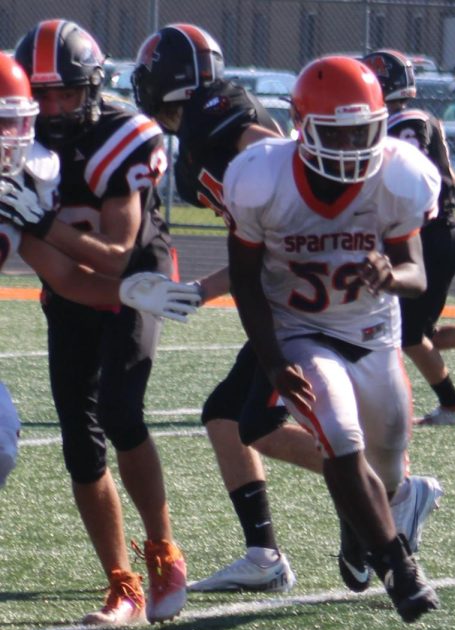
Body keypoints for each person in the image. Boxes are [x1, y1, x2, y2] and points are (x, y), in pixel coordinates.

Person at [223, 56, 444, 623]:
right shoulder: (261, 177)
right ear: (302, 125)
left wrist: (392, 276)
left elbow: (416, 273)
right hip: (302, 331)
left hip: (373, 335)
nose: (349, 145)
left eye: (361, 131)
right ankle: (400, 568)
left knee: (387, 467)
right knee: (341, 440)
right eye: (336, 132)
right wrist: (272, 360)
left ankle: (361, 530)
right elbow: (246, 281)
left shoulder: (399, 174)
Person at [2, 20, 190, 626]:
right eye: (43, 95)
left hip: (140, 275)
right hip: (73, 283)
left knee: (121, 411)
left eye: (66, 94)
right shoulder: (19, 155)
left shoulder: (124, 135)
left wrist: (37, 220)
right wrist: (31, 220)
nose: (54, 109)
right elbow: (62, 278)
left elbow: (116, 251)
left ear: (93, 86)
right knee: (80, 443)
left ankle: (162, 549)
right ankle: (121, 583)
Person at [131, 23, 320, 593]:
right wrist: (198, 293)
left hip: (299, 298)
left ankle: (388, 487)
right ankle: (264, 553)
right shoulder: (201, 129)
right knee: (224, 416)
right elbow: (250, 252)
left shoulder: (222, 115)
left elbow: (275, 155)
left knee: (256, 424)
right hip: (279, 287)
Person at [361, 49, 455, 426]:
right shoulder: (418, 117)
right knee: (420, 333)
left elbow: (408, 176)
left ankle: (454, 407)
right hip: (439, 233)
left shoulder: (405, 122)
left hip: (429, 235)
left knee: (408, 335)